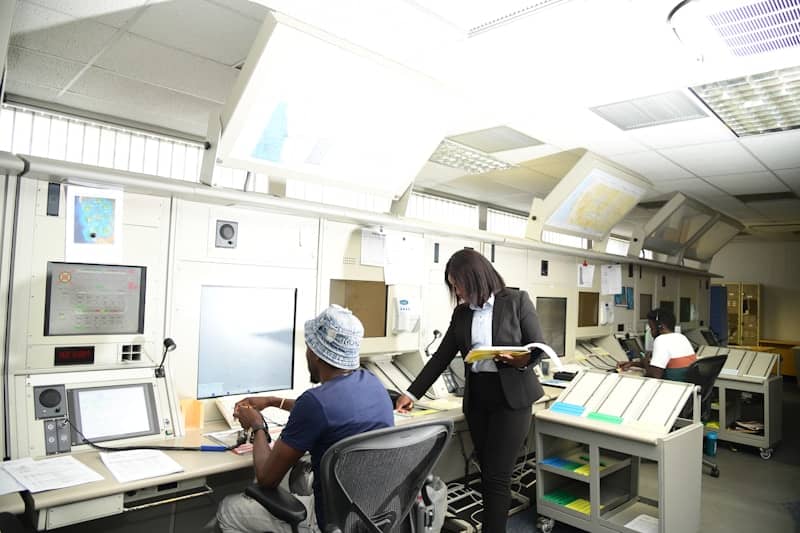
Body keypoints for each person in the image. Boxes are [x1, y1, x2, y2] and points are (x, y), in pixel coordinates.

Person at [395, 249, 546, 532]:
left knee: (497, 476)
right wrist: (411, 394)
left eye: (459, 283)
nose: (457, 290)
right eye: (453, 285)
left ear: (476, 277)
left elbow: (537, 346)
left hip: (511, 399)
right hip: (479, 399)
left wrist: (521, 359)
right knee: (487, 472)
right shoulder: (462, 313)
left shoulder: (516, 301)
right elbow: (440, 358)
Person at [215, 305, 394, 533]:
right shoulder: (372, 383)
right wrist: (273, 401)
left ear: (316, 353)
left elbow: (266, 478)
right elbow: (326, 411)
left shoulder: (315, 403)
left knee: (229, 509)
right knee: (299, 482)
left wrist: (257, 426)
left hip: (327, 523)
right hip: (368, 517)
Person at [617, 308, 696, 381]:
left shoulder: (661, 340)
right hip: (686, 387)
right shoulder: (681, 337)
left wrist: (645, 360)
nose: (651, 333)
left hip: (672, 388)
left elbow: (654, 376)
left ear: (661, 327)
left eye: (651, 328)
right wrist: (632, 364)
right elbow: (659, 366)